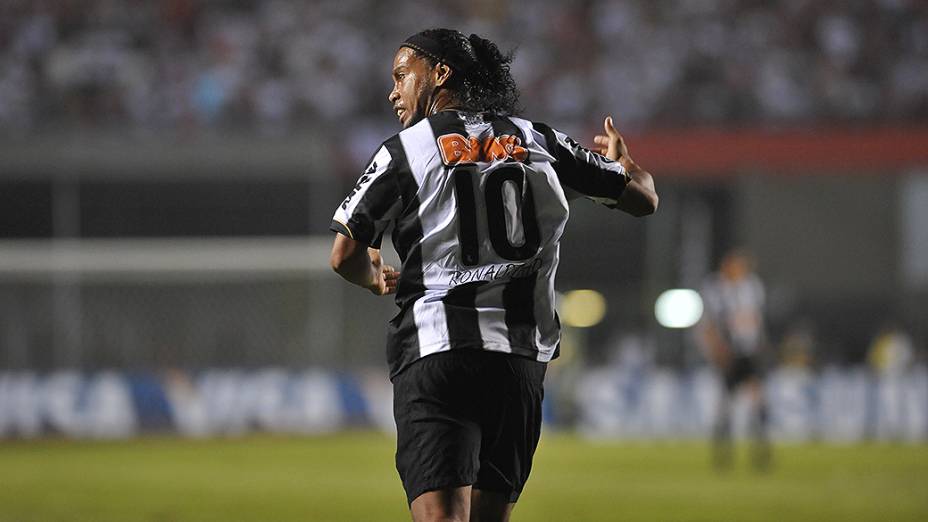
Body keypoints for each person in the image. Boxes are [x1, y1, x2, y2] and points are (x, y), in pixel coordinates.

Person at [329, 28, 657, 522]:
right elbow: (644, 198)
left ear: (440, 74)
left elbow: (344, 253)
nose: (393, 91)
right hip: (518, 361)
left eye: (401, 76)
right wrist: (627, 164)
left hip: (437, 350)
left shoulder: (405, 150)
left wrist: (371, 277)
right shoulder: (539, 139)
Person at [699, 248, 771, 471]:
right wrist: (716, 351)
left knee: (757, 400)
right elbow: (710, 323)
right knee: (726, 404)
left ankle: (761, 451)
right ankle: (723, 455)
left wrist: (761, 346)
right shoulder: (714, 288)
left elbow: (756, 320)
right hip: (728, 353)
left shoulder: (752, 286)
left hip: (749, 352)